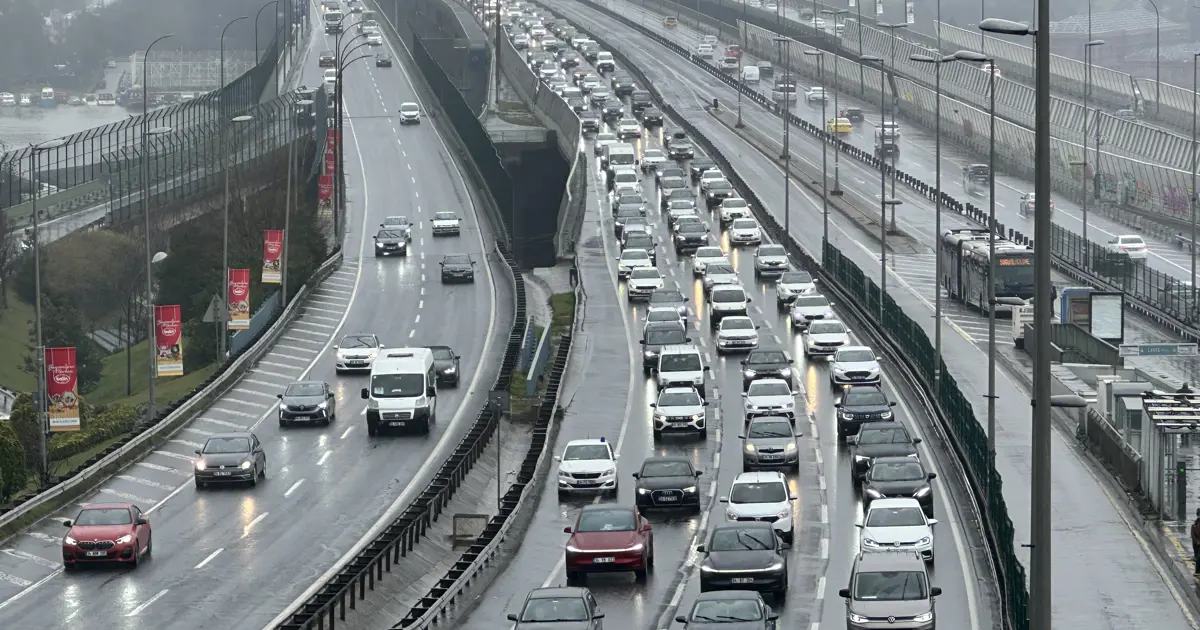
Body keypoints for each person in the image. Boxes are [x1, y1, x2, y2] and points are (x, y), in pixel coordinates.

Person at [1191, 508, 1200, 575]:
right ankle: (1197, 571)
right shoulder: (1195, 524)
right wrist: (1197, 541)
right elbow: (1193, 535)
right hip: (1197, 544)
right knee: (1198, 557)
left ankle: (1197, 571)